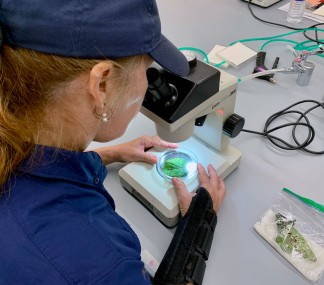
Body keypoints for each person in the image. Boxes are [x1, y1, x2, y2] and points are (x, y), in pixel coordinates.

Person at [0, 1, 226, 284]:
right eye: (147, 70)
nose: (148, 83)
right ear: (102, 85)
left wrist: (104, 155)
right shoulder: (101, 263)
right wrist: (199, 222)